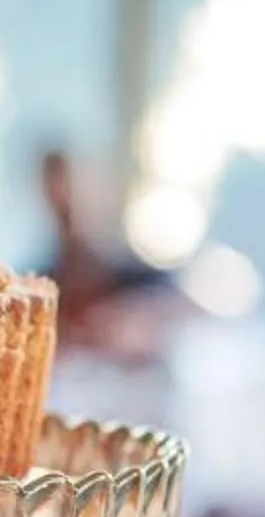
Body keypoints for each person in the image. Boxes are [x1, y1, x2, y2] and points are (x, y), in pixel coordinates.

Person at [31, 149, 181, 363]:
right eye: (56, 193)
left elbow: (187, 309)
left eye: (74, 189)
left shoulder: (139, 278)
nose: (67, 204)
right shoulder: (39, 284)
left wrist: (135, 321)